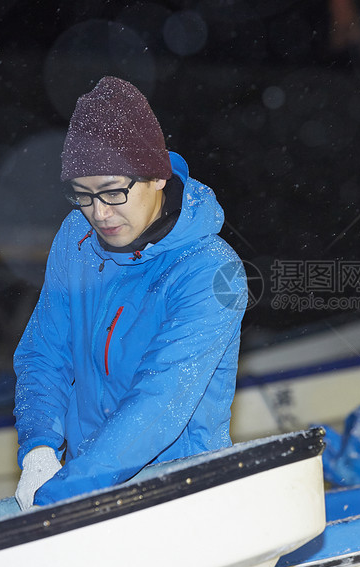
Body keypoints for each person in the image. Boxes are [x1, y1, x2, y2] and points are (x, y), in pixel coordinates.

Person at [13, 76, 247, 509]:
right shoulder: (75, 239)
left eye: (113, 192)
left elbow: (158, 405)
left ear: (158, 176)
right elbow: (43, 352)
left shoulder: (212, 272)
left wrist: (62, 497)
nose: (99, 213)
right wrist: (39, 450)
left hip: (182, 494)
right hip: (86, 486)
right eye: (82, 195)